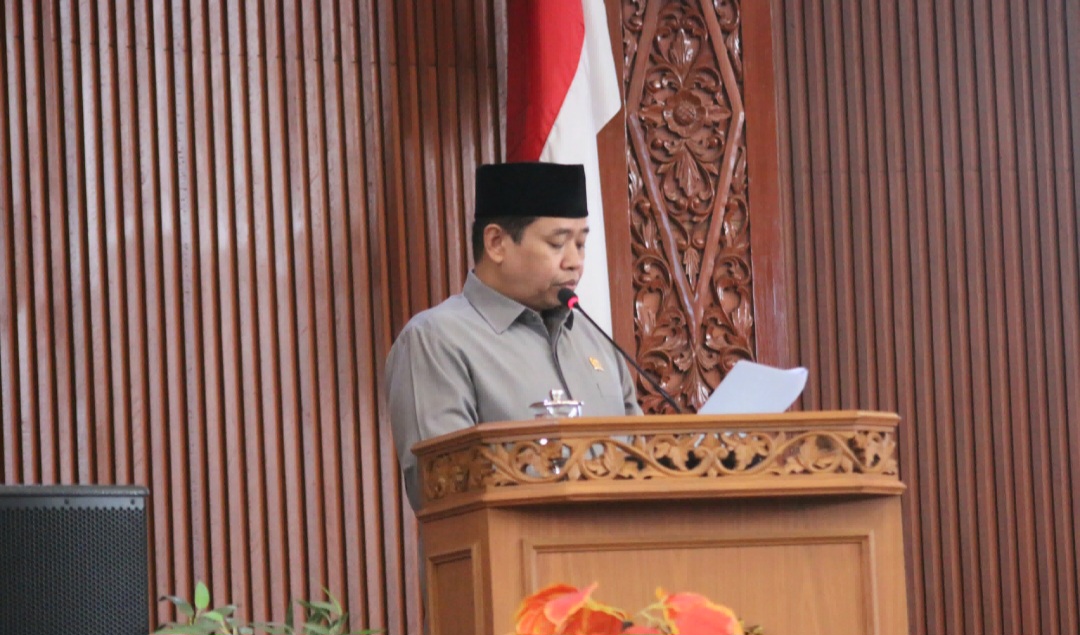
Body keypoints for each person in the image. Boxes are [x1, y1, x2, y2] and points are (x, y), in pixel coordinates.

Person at [385, 162, 643, 511]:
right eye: (558, 243)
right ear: (496, 243)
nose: (575, 262)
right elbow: (445, 491)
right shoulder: (436, 341)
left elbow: (644, 462)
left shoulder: (596, 341)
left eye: (581, 244)